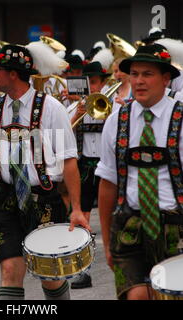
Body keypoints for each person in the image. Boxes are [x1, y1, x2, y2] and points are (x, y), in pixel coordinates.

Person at [95, 44, 183, 300]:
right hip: (131, 228)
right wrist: (106, 240)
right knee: (137, 296)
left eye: (147, 74)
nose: (138, 81)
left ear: (166, 78)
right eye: (134, 74)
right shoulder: (116, 121)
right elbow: (107, 184)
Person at [0, 44, 90, 300]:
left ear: (13, 73)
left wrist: (76, 208)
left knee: (49, 273)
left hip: (44, 197)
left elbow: (69, 160)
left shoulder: (51, 108)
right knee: (9, 269)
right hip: (6, 198)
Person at [68, 61, 110, 289]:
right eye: (88, 82)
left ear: (103, 83)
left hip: (107, 166)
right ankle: (83, 269)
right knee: (81, 216)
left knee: (113, 214)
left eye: (94, 82)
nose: (91, 87)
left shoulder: (114, 104)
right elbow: (64, 134)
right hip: (84, 165)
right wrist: (76, 113)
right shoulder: (76, 105)